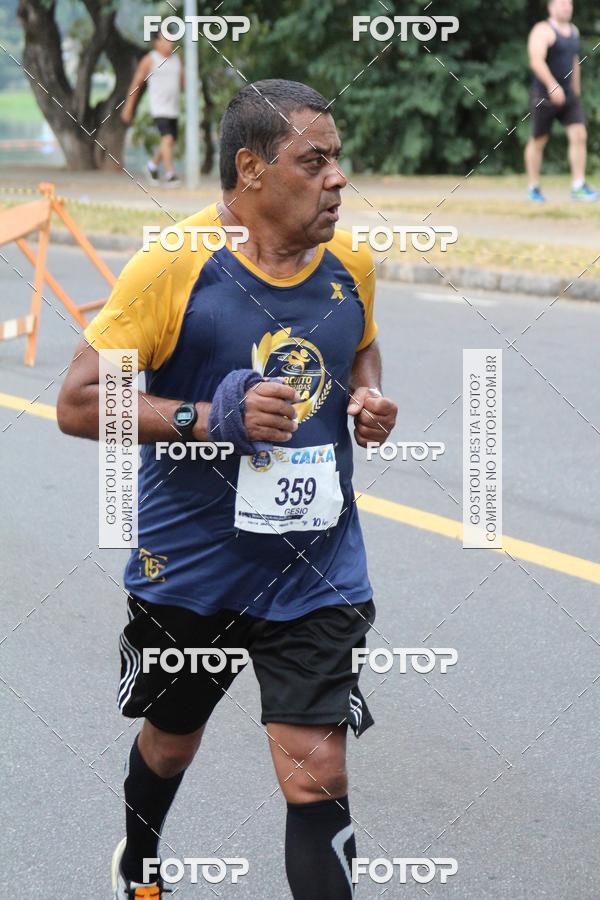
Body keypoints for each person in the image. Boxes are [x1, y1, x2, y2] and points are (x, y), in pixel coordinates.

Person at [57, 78, 398, 899]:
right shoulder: (174, 265)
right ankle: (140, 856)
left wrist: (367, 398)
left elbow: (359, 348)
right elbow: (75, 402)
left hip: (317, 570)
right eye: (312, 161)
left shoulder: (350, 259)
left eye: (337, 160)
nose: (337, 179)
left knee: (316, 777)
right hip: (194, 568)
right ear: (251, 169)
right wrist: (208, 418)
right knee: (171, 740)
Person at [524, 0, 598, 202]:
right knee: (539, 140)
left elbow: (574, 60)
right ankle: (533, 188)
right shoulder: (543, 30)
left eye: (569, 4)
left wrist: (576, 89)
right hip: (545, 95)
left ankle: (578, 186)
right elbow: (536, 60)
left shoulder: (574, 31)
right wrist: (552, 85)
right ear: (551, 8)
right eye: (562, 4)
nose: (567, 7)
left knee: (579, 135)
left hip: (568, 96)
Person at [121, 33, 183, 185]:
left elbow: (183, 82)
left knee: (169, 141)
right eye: (166, 40)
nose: (170, 43)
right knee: (167, 138)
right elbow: (136, 83)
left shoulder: (176, 60)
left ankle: (152, 166)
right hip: (159, 107)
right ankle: (170, 174)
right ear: (157, 42)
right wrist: (128, 107)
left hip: (173, 108)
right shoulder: (150, 59)